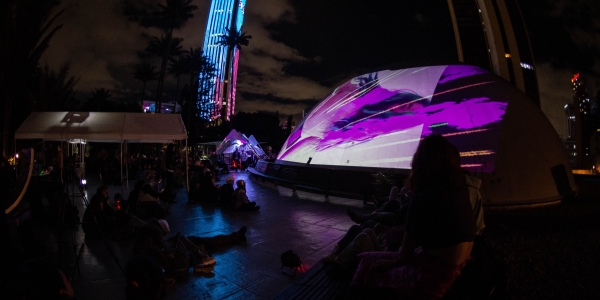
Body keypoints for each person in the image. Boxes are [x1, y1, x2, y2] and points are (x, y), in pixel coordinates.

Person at [349, 135, 477, 299]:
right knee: (369, 258)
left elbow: (404, 255)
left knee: (367, 263)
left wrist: (391, 261)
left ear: (421, 162)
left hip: (426, 281)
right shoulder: (460, 194)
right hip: (447, 274)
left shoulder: (424, 199)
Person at [133, 218, 216, 278]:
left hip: (175, 264)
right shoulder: (156, 237)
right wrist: (172, 242)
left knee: (185, 245)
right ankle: (202, 256)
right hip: (178, 264)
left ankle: (198, 258)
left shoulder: (143, 247)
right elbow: (164, 249)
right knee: (182, 238)